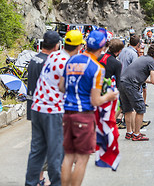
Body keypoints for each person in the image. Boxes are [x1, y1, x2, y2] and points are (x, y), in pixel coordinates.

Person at [59, 30, 119, 186]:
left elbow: (61, 87)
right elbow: (95, 100)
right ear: (101, 49)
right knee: (82, 158)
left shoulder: (71, 61)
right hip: (83, 116)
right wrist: (109, 96)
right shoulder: (97, 68)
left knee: (68, 156)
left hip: (67, 113)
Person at [25, 31, 63, 186]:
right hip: (46, 106)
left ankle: (36, 180)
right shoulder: (49, 61)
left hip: (33, 105)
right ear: (56, 45)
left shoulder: (34, 59)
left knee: (37, 148)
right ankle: (48, 180)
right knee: (50, 148)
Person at [120, 44, 154, 141]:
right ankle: (136, 134)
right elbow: (153, 79)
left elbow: (140, 77)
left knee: (128, 109)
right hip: (131, 84)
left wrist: (153, 81)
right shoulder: (152, 62)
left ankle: (129, 132)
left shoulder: (142, 58)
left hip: (122, 82)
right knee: (140, 108)